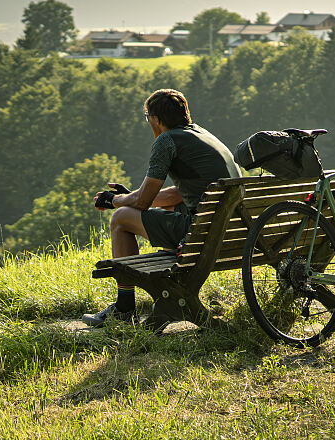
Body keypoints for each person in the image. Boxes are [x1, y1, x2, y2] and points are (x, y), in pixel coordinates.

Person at [83, 88, 239, 326]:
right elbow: (179, 193)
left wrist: (115, 201)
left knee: (121, 219)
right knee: (150, 206)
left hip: (203, 235)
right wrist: (132, 196)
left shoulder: (167, 141)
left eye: (147, 118)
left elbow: (143, 203)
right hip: (234, 233)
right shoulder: (203, 135)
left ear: (156, 119)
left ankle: (124, 308)